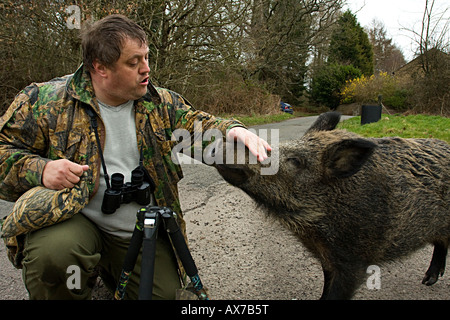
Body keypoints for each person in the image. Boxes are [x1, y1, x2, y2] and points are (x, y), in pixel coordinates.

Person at [0, 14, 271, 300]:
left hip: (140, 229)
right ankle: (78, 280)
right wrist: (41, 169)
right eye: (134, 62)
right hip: (75, 222)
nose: (146, 69)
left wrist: (234, 130)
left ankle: (111, 270)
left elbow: (199, 126)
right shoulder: (45, 101)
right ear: (100, 67)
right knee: (56, 256)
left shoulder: (160, 103)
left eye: (147, 57)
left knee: (164, 297)